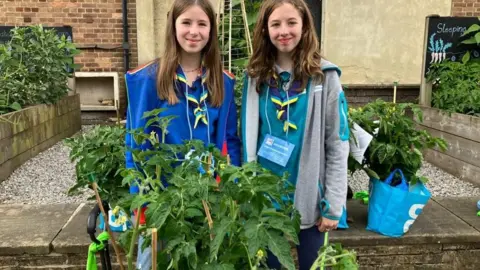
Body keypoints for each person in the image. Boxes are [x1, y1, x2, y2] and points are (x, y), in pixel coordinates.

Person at [124, 0, 241, 269]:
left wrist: (229, 191)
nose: (194, 31)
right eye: (186, 22)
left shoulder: (222, 81)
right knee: (153, 263)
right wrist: (140, 201)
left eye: (202, 24)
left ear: (211, 31)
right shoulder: (147, 79)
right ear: (173, 26)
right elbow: (135, 143)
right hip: (161, 200)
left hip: (206, 199)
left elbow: (229, 141)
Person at [241, 0, 350, 269]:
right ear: (265, 29)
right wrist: (247, 194)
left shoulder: (324, 77)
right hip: (266, 201)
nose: (284, 31)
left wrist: (334, 205)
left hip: (312, 199)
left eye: (291, 22)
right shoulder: (256, 76)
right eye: (275, 24)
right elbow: (247, 137)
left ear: (304, 26)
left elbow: (337, 142)